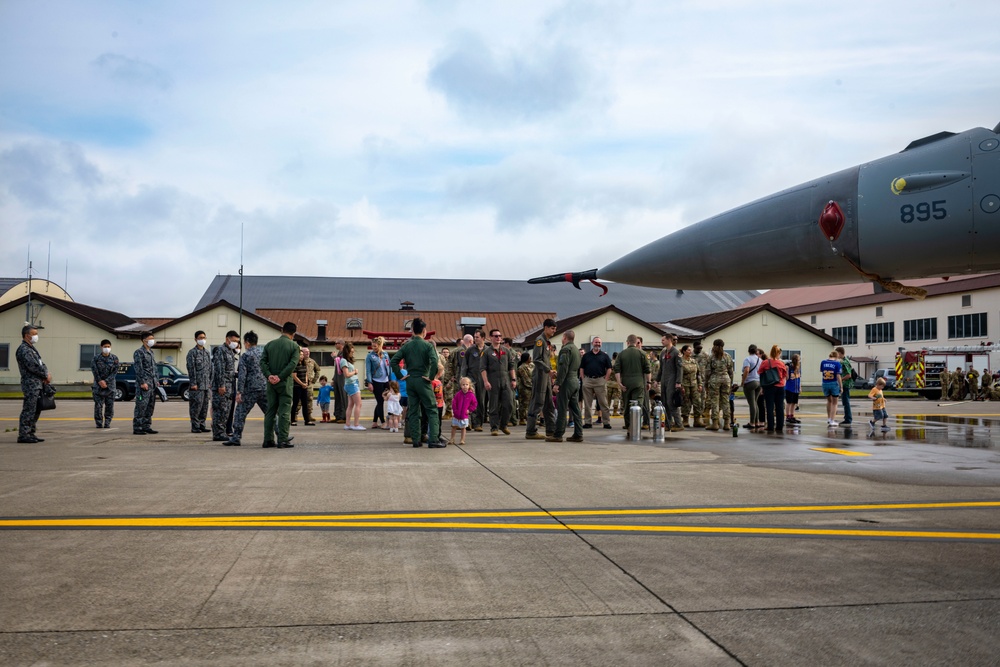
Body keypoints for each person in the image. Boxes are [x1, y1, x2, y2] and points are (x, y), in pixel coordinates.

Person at [391, 318, 445, 447]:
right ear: (424, 331)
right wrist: (431, 377)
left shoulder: (407, 345)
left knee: (413, 411)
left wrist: (400, 375)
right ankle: (433, 439)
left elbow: (394, 361)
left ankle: (416, 439)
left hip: (411, 380)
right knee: (431, 409)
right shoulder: (427, 345)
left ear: (412, 331)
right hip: (423, 380)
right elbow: (434, 361)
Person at [260, 322, 300, 448]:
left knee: (270, 411)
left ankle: (268, 439)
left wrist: (269, 375)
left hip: (271, 382)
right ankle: (282, 439)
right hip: (284, 382)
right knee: (284, 411)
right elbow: (292, 364)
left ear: (282, 330)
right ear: (294, 333)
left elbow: (262, 362)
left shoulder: (270, 345)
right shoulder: (294, 346)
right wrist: (280, 376)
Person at [227, 330, 268, 446]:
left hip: (250, 389)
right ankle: (280, 434)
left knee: (240, 413)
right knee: (270, 412)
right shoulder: (263, 354)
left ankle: (236, 437)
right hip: (264, 387)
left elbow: (242, 375)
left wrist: (239, 391)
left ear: (247, 343)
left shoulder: (246, 356)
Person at [15, 325, 51, 443]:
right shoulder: (24, 349)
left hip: (37, 383)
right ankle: (23, 434)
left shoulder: (32, 349)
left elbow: (41, 363)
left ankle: (31, 432)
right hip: (30, 384)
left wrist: (46, 373)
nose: (36, 336)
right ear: (27, 335)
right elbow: (33, 366)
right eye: (34, 334)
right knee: (29, 409)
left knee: (36, 409)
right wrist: (45, 375)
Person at [525, 319, 558, 440]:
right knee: (537, 403)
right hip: (540, 376)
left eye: (555, 328)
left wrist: (551, 371)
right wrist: (548, 370)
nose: (554, 331)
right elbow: (537, 359)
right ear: (545, 327)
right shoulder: (540, 341)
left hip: (546, 377)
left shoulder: (547, 342)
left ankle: (551, 429)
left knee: (549, 404)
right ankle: (531, 431)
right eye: (552, 328)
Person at [550, 330, 583, 442]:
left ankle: (558, 434)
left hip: (566, 382)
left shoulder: (565, 349)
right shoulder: (576, 350)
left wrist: (557, 383)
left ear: (564, 337)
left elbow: (563, 368)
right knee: (575, 409)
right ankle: (578, 433)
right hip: (575, 380)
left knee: (562, 408)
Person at [613, 334, 650, 434]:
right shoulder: (642, 353)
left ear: (627, 342)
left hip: (626, 383)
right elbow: (648, 369)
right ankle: (636, 427)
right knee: (638, 405)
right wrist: (649, 382)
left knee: (627, 405)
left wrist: (619, 382)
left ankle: (629, 426)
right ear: (636, 342)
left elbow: (616, 369)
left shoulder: (621, 354)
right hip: (638, 382)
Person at [482, 329, 516, 436]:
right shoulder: (486, 352)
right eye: (496, 336)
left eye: (500, 336)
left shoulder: (506, 350)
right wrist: (486, 381)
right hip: (493, 380)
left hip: (505, 380)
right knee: (493, 405)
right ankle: (494, 427)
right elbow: (483, 368)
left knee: (509, 404)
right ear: (491, 337)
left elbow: (511, 366)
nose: (498, 338)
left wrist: (513, 379)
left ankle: (503, 424)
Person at [211, 330, 240, 441]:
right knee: (220, 410)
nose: (236, 343)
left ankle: (222, 432)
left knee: (226, 411)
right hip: (222, 387)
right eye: (234, 341)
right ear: (227, 339)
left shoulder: (230, 352)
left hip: (229, 387)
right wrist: (221, 385)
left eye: (237, 341)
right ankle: (218, 433)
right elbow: (219, 369)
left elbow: (229, 370)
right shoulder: (220, 351)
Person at [580, 337, 613, 430]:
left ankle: (606, 422)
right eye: (596, 342)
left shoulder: (605, 356)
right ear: (592, 343)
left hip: (600, 381)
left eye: (599, 342)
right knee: (587, 404)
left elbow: (609, 369)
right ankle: (587, 422)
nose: (597, 344)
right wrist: (583, 380)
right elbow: (581, 368)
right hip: (588, 381)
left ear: (601, 344)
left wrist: (605, 380)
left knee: (603, 403)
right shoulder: (586, 356)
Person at [132, 332, 158, 436]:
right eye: (150, 338)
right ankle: (138, 427)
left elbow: (154, 368)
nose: (152, 340)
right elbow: (139, 369)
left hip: (152, 384)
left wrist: (156, 380)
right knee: (141, 406)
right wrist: (142, 382)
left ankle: (146, 426)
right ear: (144, 340)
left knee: (150, 406)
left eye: (153, 338)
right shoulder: (139, 352)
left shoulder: (151, 352)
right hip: (144, 385)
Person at [461, 330, 488, 432]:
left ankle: (478, 424)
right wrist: (463, 379)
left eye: (477, 337)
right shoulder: (470, 350)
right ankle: (470, 423)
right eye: (474, 337)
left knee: (481, 402)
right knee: (470, 401)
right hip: (471, 379)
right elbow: (464, 365)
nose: (475, 339)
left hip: (483, 379)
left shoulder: (488, 350)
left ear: (483, 338)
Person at [704, 339, 733, 431]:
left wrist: (706, 383)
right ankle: (727, 423)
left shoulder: (711, 357)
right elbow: (730, 371)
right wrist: (730, 383)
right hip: (726, 379)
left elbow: (708, 372)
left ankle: (715, 423)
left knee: (714, 402)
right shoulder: (728, 356)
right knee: (725, 401)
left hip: (715, 379)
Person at [186, 331, 212, 433]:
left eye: (204, 337)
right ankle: (195, 426)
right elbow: (191, 369)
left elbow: (210, 369)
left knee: (204, 407)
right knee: (195, 407)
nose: (203, 339)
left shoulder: (207, 353)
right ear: (195, 339)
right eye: (200, 337)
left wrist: (210, 382)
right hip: (197, 385)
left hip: (206, 385)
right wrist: (193, 383)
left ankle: (202, 424)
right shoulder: (192, 353)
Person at [758, 345, 788, 433]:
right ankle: (779, 426)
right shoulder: (781, 363)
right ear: (779, 353)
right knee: (779, 407)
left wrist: (762, 387)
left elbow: (760, 372)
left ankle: (770, 426)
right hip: (780, 387)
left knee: (769, 407)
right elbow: (785, 375)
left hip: (769, 386)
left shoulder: (765, 362)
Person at [658, 333, 684, 432]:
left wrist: (678, 382)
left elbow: (679, 368)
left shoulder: (676, 353)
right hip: (664, 379)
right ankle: (668, 423)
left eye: (663, 340)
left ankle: (678, 424)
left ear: (669, 340)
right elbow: (661, 368)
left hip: (672, 380)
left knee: (671, 402)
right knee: (664, 402)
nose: (662, 341)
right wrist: (657, 379)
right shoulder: (663, 353)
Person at [90, 339, 118, 429]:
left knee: (110, 405)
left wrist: (106, 381)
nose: (107, 348)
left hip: (110, 386)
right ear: (101, 347)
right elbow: (94, 370)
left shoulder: (114, 358)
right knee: (98, 405)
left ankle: (107, 422)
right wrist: (100, 381)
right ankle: (98, 423)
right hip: (98, 386)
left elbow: (115, 372)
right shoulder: (96, 358)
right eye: (105, 347)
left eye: (108, 347)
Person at [365, 337, 392, 429]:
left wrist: (390, 379)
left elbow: (389, 367)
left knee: (381, 401)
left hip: (386, 380)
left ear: (380, 346)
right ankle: (383, 422)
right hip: (376, 381)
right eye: (372, 346)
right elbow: (368, 370)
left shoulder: (385, 354)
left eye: (375, 346)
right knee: (380, 401)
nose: (373, 348)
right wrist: (369, 382)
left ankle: (374, 422)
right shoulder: (370, 356)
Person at [291, 345, 318, 426]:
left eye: (303, 354)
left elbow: (306, 374)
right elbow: (294, 376)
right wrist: (302, 384)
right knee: (295, 403)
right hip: (297, 386)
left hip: (304, 386)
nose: (302, 356)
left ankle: (307, 420)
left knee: (305, 403)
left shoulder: (304, 364)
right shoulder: (295, 365)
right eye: (301, 354)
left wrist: (306, 383)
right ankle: (292, 420)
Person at [679, 344, 703, 428]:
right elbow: (679, 374)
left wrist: (700, 384)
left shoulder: (694, 361)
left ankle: (697, 420)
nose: (690, 351)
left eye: (690, 350)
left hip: (694, 384)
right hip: (685, 385)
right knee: (686, 402)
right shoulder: (680, 361)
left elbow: (698, 374)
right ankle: (685, 420)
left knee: (697, 402)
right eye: (688, 350)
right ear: (684, 351)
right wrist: (680, 385)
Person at [340, 342, 364, 430]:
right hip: (352, 384)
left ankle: (348, 424)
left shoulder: (346, 361)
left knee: (351, 404)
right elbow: (346, 374)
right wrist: (355, 372)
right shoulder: (344, 361)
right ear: (347, 351)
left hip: (351, 384)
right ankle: (356, 424)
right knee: (358, 404)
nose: (352, 353)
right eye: (351, 352)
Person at [449, 376, 478, 446]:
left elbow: (474, 404)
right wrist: (454, 410)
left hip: (464, 415)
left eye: (466, 385)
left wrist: (469, 410)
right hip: (456, 414)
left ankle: (462, 439)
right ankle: (452, 438)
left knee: (463, 428)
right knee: (454, 427)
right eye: (463, 385)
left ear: (469, 385)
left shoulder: (471, 395)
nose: (465, 386)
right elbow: (454, 402)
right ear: (460, 385)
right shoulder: (458, 394)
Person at [741, 344, 763, 430]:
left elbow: (746, 370)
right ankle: (757, 421)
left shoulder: (747, 359)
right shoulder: (760, 360)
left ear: (748, 351)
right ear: (756, 351)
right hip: (758, 382)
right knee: (755, 402)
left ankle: (752, 422)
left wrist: (743, 381)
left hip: (750, 382)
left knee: (752, 403)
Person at [821, 350, 843, 427]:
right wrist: (841, 386)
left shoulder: (823, 362)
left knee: (829, 401)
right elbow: (838, 376)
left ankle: (829, 418)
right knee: (835, 402)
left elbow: (822, 371)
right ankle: (832, 420)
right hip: (833, 383)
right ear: (836, 356)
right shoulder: (837, 363)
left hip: (825, 382)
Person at [836, 347, 854, 426]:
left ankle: (848, 419)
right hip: (846, 384)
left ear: (840, 353)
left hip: (846, 384)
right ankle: (847, 417)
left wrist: (840, 379)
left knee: (846, 402)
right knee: (845, 401)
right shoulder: (845, 360)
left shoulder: (844, 362)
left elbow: (849, 375)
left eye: (837, 353)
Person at [516, 351, 534, 425]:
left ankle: (529, 417)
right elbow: (525, 379)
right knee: (524, 403)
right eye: (529, 357)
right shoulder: (522, 367)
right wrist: (532, 386)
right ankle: (522, 418)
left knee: (530, 404)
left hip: (531, 386)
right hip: (524, 388)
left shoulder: (531, 365)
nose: (531, 358)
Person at [784, 354, 802, 425]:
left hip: (796, 388)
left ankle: (792, 415)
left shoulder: (798, 368)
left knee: (794, 403)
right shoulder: (789, 367)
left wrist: (800, 387)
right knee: (789, 402)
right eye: (798, 359)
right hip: (790, 387)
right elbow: (787, 378)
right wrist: (786, 370)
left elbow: (799, 378)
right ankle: (788, 416)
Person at [607, 351, 622, 417]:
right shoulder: (619, 364)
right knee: (616, 397)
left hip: (609, 383)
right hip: (617, 383)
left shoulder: (609, 363)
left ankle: (607, 411)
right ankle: (615, 411)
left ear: (612, 356)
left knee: (608, 398)